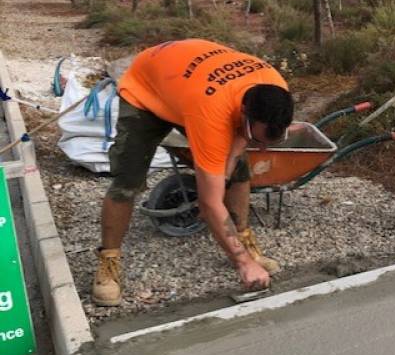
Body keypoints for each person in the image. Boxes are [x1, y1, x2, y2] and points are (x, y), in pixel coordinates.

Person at [92, 39, 294, 307]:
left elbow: (243, 139)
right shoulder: (211, 111)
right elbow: (210, 203)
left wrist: (226, 172)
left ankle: (244, 242)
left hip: (187, 81)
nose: (264, 148)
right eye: (257, 138)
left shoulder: (274, 88)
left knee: (240, 173)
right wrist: (241, 264)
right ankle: (108, 261)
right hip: (148, 87)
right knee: (127, 180)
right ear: (244, 112)